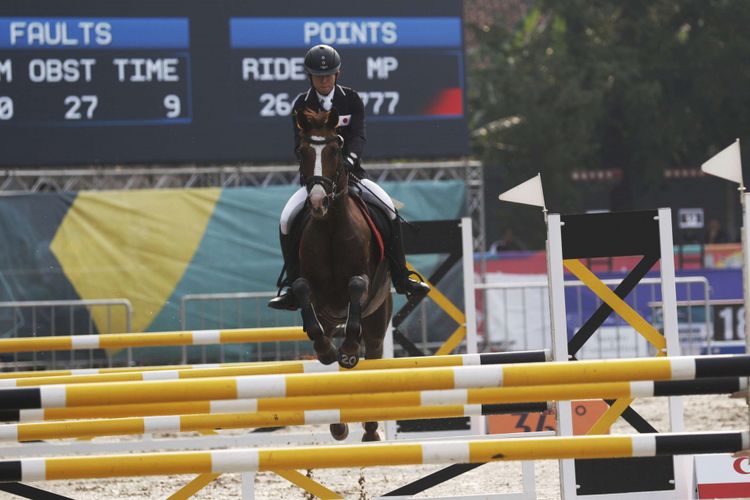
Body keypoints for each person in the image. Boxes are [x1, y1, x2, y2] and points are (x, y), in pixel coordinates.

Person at [268, 44, 430, 310]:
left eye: (329, 75)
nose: (324, 80)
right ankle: (291, 285)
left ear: (338, 73)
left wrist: (349, 160)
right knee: (287, 219)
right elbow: (301, 146)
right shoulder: (301, 105)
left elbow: (358, 136)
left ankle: (402, 277)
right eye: (318, 76)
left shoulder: (351, 100)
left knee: (389, 208)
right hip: (317, 179)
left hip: (352, 176)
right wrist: (317, 174)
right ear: (309, 75)